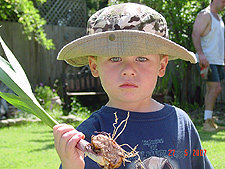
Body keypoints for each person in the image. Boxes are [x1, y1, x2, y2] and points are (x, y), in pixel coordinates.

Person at [54, 3, 213, 169]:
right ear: (94, 66)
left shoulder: (182, 124)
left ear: (161, 66)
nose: (128, 70)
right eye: (115, 58)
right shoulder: (87, 137)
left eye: (141, 59)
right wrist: (71, 166)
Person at [192, 0, 225, 132]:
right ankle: (207, 122)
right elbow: (195, 34)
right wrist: (200, 54)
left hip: (217, 61)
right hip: (208, 60)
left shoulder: (219, 17)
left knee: (213, 89)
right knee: (215, 88)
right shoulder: (205, 15)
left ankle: (209, 121)